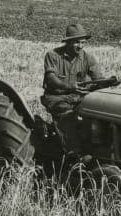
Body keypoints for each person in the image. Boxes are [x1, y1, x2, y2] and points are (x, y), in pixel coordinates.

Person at [41, 23, 106, 160]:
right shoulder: (53, 56)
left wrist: (107, 83)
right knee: (67, 115)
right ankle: (73, 154)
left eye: (83, 42)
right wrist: (69, 86)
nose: (80, 46)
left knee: (95, 113)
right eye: (77, 42)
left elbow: (98, 79)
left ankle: (96, 149)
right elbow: (51, 78)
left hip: (78, 98)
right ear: (68, 42)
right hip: (57, 98)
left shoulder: (88, 58)